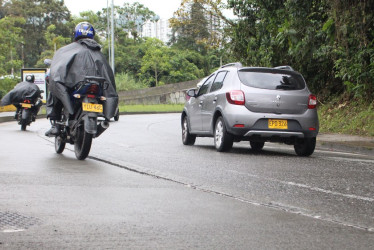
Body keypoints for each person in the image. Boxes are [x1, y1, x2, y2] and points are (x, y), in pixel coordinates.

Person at [45, 22, 118, 136]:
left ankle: (55, 124)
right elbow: (108, 75)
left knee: (55, 88)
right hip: (96, 86)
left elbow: (57, 72)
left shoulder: (67, 50)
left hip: (78, 86)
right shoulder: (98, 53)